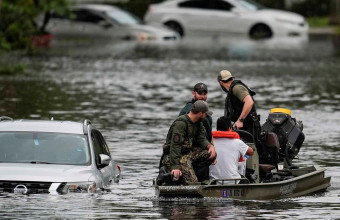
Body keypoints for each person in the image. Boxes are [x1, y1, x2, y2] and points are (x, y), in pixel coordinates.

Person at [158, 100, 217, 185]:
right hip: (175, 157)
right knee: (192, 182)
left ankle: (189, 170)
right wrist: (175, 167)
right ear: (200, 113)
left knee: (211, 154)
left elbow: (201, 139)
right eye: (205, 114)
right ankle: (170, 173)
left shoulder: (198, 123)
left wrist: (210, 146)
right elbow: (175, 146)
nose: (206, 116)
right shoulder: (181, 124)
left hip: (188, 154)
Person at [179, 83, 213, 181]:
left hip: (202, 150)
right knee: (194, 180)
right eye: (200, 94)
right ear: (194, 93)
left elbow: (208, 133)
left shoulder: (205, 110)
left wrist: (211, 147)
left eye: (204, 94)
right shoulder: (188, 111)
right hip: (190, 151)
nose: (202, 97)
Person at [217, 70, 261, 138]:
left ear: (221, 82)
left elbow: (249, 102)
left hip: (249, 128)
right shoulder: (232, 90)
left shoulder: (237, 88)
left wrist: (240, 120)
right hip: (242, 129)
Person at [209, 116, 254, 182]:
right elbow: (251, 152)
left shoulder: (210, 143)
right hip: (233, 181)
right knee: (247, 180)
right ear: (229, 128)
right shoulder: (238, 142)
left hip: (214, 181)